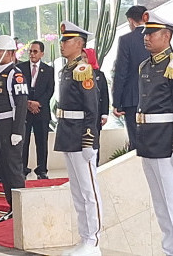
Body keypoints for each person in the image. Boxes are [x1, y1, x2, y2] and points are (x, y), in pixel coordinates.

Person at [136, 11, 173, 256]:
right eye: (145, 33)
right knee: (160, 206)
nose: (146, 37)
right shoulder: (145, 65)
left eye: (152, 33)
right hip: (149, 141)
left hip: (169, 143)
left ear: (166, 36)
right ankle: (171, 251)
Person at [55, 21, 102, 256]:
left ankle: (93, 240)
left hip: (80, 134)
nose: (62, 44)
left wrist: (88, 139)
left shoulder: (83, 69)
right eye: (62, 40)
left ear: (80, 44)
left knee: (89, 191)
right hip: (67, 132)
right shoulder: (66, 69)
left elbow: (92, 108)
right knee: (77, 191)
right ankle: (84, 237)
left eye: (67, 40)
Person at [0, 35, 28, 224]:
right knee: (3, 168)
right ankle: (12, 207)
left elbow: (21, 104)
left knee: (13, 168)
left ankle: (21, 208)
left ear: (10, 53)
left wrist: (17, 131)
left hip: (9, 125)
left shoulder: (15, 73)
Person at [112, 5, 148, 150]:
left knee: (136, 141)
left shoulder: (126, 40)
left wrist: (117, 103)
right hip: (156, 98)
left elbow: (121, 72)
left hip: (132, 99)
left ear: (132, 21)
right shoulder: (160, 36)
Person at [17, 41, 54, 179]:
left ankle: (42, 169)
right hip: (25, 110)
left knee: (42, 141)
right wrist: (27, 103)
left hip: (41, 110)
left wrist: (38, 103)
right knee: (24, 140)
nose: (32, 54)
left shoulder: (48, 70)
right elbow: (18, 88)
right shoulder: (20, 68)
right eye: (30, 51)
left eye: (35, 51)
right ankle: (22, 168)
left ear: (42, 54)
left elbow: (50, 90)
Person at [81, 49, 109, 166]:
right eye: (82, 57)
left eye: (86, 57)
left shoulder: (99, 75)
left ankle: (95, 164)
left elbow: (104, 95)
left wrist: (104, 114)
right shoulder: (79, 73)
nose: (83, 60)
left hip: (96, 113)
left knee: (94, 139)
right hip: (82, 114)